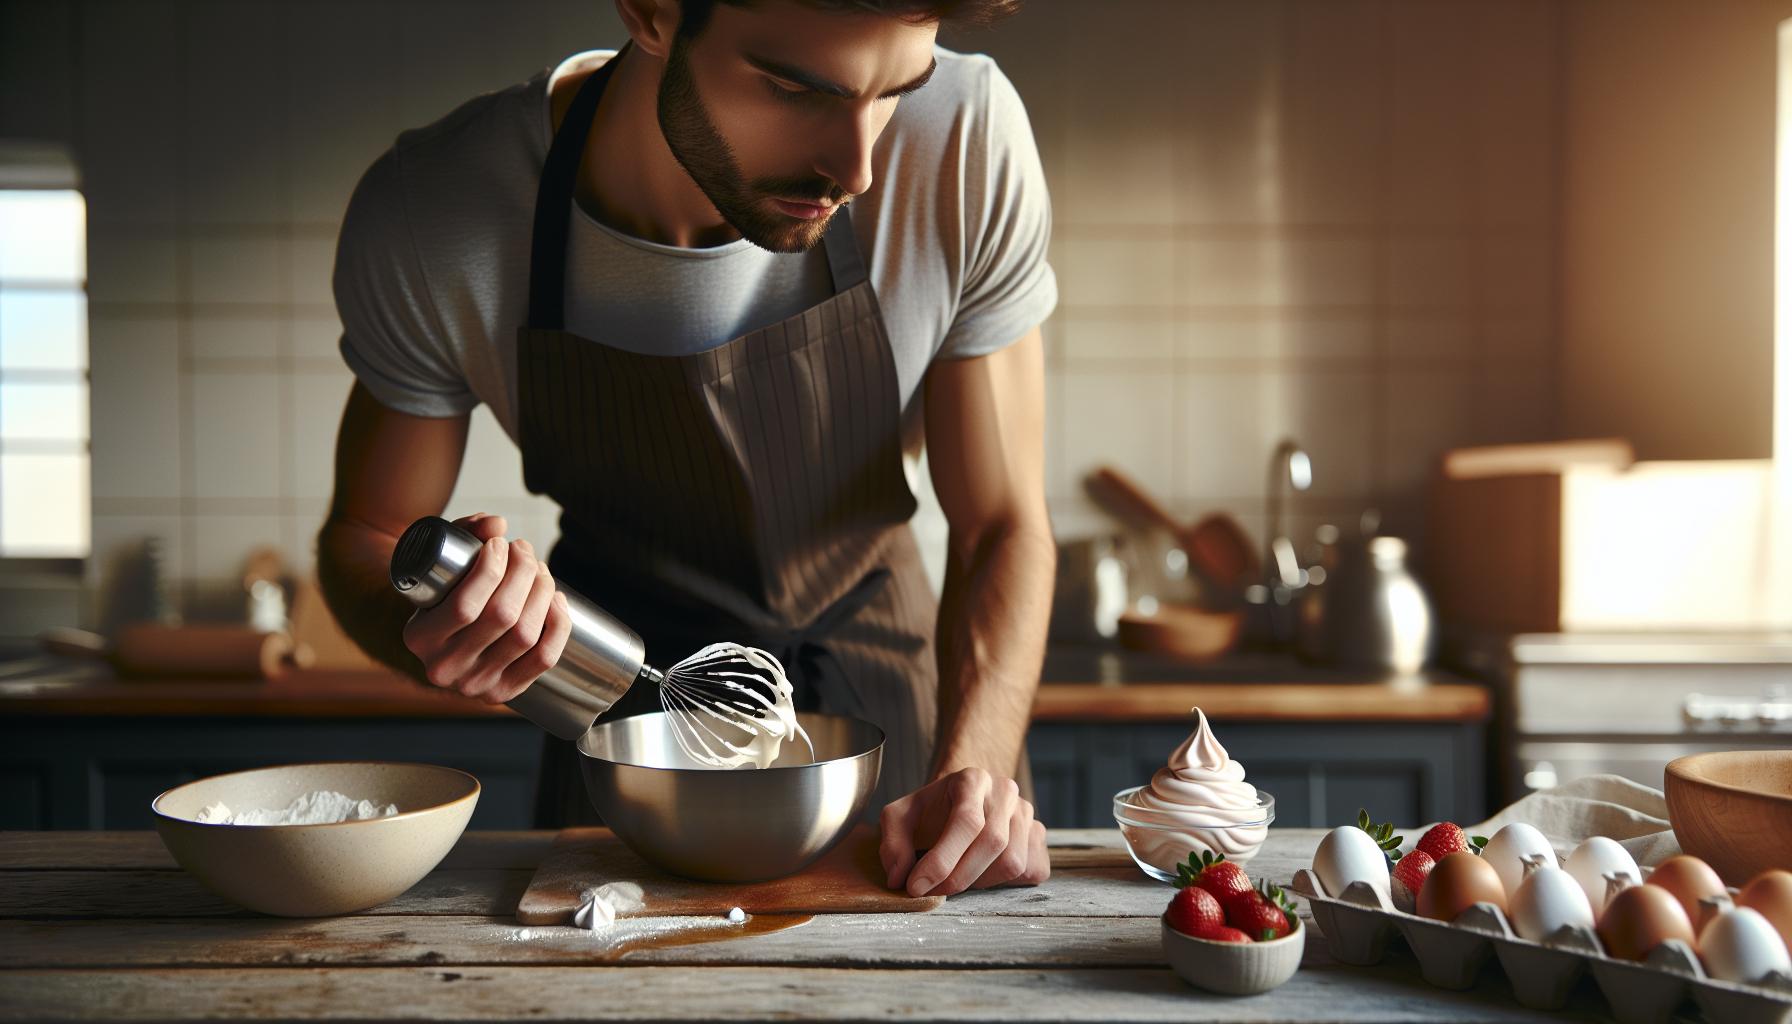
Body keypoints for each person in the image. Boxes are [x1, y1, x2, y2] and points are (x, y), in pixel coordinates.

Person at [318, 0, 1057, 898]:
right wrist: (441, 623)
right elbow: (366, 532)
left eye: (897, 91)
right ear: (651, 12)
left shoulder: (965, 146)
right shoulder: (435, 211)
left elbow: (1002, 525)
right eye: (794, 88)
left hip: (899, 731)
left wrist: (971, 772)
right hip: (620, 738)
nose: (856, 167)